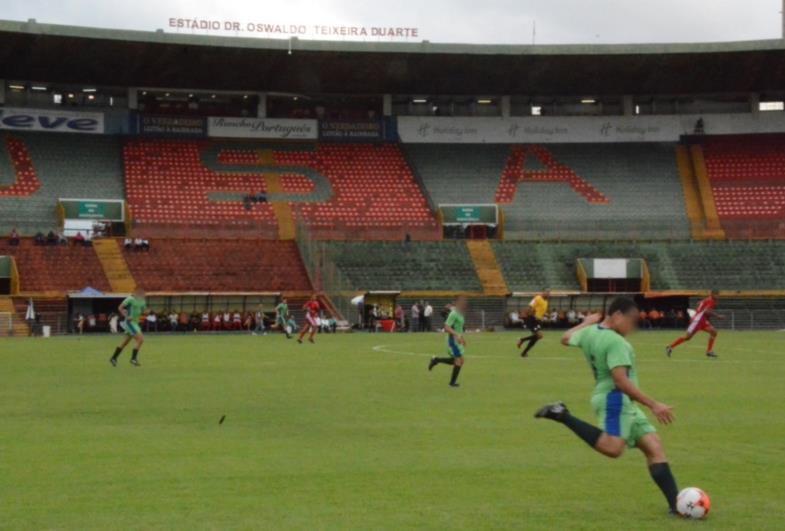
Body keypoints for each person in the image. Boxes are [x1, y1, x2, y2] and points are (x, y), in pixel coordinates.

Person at [534, 297, 680, 515]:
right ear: (617, 315)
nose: (632, 327)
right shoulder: (617, 343)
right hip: (615, 398)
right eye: (630, 321)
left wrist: (586, 323)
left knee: (654, 446)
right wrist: (653, 404)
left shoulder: (591, 332)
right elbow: (620, 380)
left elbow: (565, 338)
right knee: (613, 448)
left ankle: (676, 507)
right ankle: (562, 415)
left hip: (620, 400)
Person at [666, 291, 721, 359]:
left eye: (718, 295)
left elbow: (699, 303)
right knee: (688, 337)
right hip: (697, 321)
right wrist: (718, 316)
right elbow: (707, 311)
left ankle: (709, 351)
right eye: (716, 295)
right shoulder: (711, 301)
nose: (718, 296)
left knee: (714, 332)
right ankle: (670, 347)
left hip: (702, 320)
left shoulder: (708, 299)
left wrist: (700, 308)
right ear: (712, 294)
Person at [428, 295, 468, 388]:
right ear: (457, 303)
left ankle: (436, 360)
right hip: (452, 340)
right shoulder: (453, 314)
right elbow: (446, 327)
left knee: (460, 360)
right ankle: (452, 383)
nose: (464, 303)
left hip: (457, 339)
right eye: (462, 301)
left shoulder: (460, 313)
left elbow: (459, 328)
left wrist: (462, 338)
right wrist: (456, 335)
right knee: (458, 360)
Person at [110, 288, 146, 366]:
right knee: (141, 339)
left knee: (125, 343)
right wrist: (126, 315)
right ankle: (133, 359)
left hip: (135, 323)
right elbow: (120, 307)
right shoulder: (130, 299)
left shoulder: (142, 301)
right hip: (130, 323)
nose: (142, 295)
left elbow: (142, 310)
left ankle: (113, 358)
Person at [517, 289, 550, 357]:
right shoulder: (537, 298)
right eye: (546, 292)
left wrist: (546, 315)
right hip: (533, 319)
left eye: (549, 293)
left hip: (539, 320)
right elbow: (530, 307)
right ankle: (522, 340)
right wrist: (527, 315)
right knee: (540, 335)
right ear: (543, 292)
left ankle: (524, 352)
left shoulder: (546, 302)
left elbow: (541, 311)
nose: (548, 294)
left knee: (536, 338)